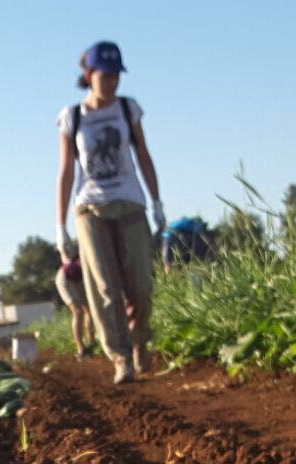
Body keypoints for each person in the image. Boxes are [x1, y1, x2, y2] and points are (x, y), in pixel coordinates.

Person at [56, 40, 165, 384]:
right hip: (90, 208)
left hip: (131, 203)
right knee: (104, 286)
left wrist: (157, 201)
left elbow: (144, 156)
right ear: (89, 75)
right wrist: (59, 225)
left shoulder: (128, 109)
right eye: (105, 75)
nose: (112, 82)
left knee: (140, 285)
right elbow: (66, 171)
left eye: (117, 75)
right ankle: (121, 357)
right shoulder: (72, 117)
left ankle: (139, 341)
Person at [53, 256, 95, 357]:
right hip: (64, 278)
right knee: (78, 312)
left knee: (90, 311)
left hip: (77, 279)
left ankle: (92, 343)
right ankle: (81, 349)